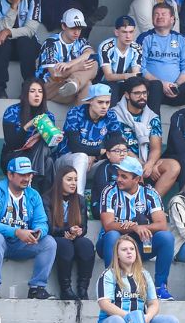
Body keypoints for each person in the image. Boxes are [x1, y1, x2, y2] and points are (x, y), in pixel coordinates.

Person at [0, 157, 56, 301]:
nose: (27, 178)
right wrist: (17, 232)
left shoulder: (33, 195)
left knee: (49, 242)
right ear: (10, 175)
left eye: (29, 174)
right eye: (22, 174)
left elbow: (42, 222)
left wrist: (38, 232)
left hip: (19, 243)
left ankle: (37, 288)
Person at [98, 156, 175, 299]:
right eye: (118, 174)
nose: (118, 179)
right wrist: (133, 227)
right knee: (112, 235)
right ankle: (113, 286)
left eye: (124, 176)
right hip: (112, 245)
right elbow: (108, 225)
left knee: (166, 237)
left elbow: (162, 224)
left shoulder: (150, 193)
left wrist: (140, 227)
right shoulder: (109, 191)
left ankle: (160, 287)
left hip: (139, 246)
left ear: (137, 179)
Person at [55, 84, 118, 196]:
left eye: (107, 103)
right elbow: (75, 147)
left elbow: (117, 143)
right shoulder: (75, 113)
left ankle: (109, 203)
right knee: (81, 156)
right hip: (66, 161)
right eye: (100, 102)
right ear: (90, 101)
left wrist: (95, 156)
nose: (104, 106)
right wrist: (99, 152)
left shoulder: (111, 115)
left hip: (93, 163)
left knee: (119, 157)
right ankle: (78, 200)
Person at [46, 165, 95, 301]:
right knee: (65, 246)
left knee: (86, 245)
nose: (73, 183)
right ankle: (65, 289)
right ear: (59, 180)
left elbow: (84, 227)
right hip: (55, 237)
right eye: (69, 180)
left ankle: (82, 288)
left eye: (75, 180)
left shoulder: (80, 200)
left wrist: (77, 232)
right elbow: (49, 227)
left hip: (74, 236)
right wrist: (65, 231)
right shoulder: (48, 198)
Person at [139, 2, 185, 114]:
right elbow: (140, 68)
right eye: (156, 14)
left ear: (172, 19)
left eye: (163, 14)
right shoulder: (145, 38)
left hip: (176, 89)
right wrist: (162, 84)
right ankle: (154, 129)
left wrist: (176, 84)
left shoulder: (181, 39)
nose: (159, 17)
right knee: (155, 86)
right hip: (152, 89)